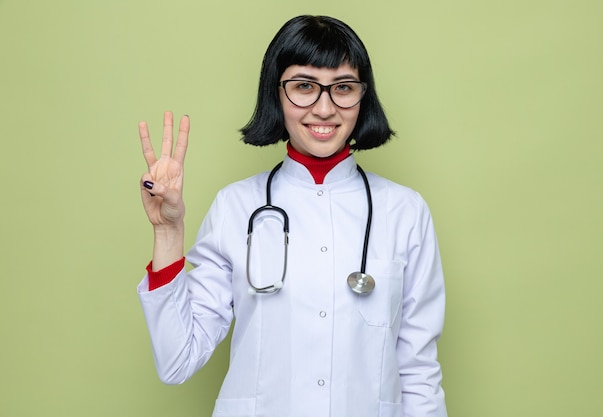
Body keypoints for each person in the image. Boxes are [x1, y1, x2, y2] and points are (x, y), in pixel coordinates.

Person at [137, 15, 447, 417]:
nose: (324, 108)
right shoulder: (235, 207)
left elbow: (419, 370)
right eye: (304, 86)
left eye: (343, 88)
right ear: (276, 93)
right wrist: (167, 232)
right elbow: (177, 360)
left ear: (362, 97)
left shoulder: (405, 212)